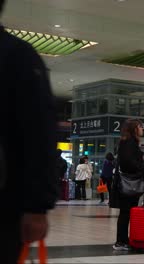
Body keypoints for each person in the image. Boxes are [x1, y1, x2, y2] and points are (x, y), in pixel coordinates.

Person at [0, 0, 59, 261]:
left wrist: (36, 206)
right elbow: (40, 133)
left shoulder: (15, 56)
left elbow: (39, 134)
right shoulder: (17, 55)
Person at [112, 119, 144, 251]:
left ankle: (123, 240)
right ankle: (121, 241)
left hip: (129, 182)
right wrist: (143, 168)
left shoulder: (128, 142)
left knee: (127, 212)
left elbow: (130, 161)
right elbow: (128, 163)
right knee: (126, 212)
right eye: (140, 127)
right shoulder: (129, 142)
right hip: (128, 183)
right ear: (134, 128)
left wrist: (143, 166)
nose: (142, 129)